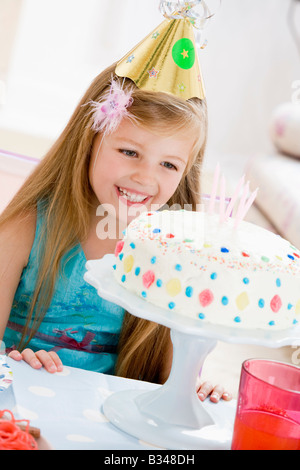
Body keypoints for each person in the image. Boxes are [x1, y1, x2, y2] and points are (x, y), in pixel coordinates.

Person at [0, 4, 232, 403]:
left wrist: (194, 386)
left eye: (168, 164)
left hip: (104, 419)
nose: (145, 177)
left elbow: (167, 379)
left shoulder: (176, 254)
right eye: (128, 151)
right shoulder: (27, 226)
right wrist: (13, 361)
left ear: (185, 172)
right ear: (89, 140)